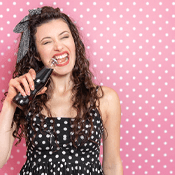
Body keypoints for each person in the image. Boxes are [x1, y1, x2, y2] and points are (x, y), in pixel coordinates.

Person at [0, 6, 123, 175]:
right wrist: (9, 104)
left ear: (74, 43)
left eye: (64, 37)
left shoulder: (105, 98)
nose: (58, 47)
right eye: (47, 42)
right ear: (36, 54)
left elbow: (112, 165)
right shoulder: (27, 96)